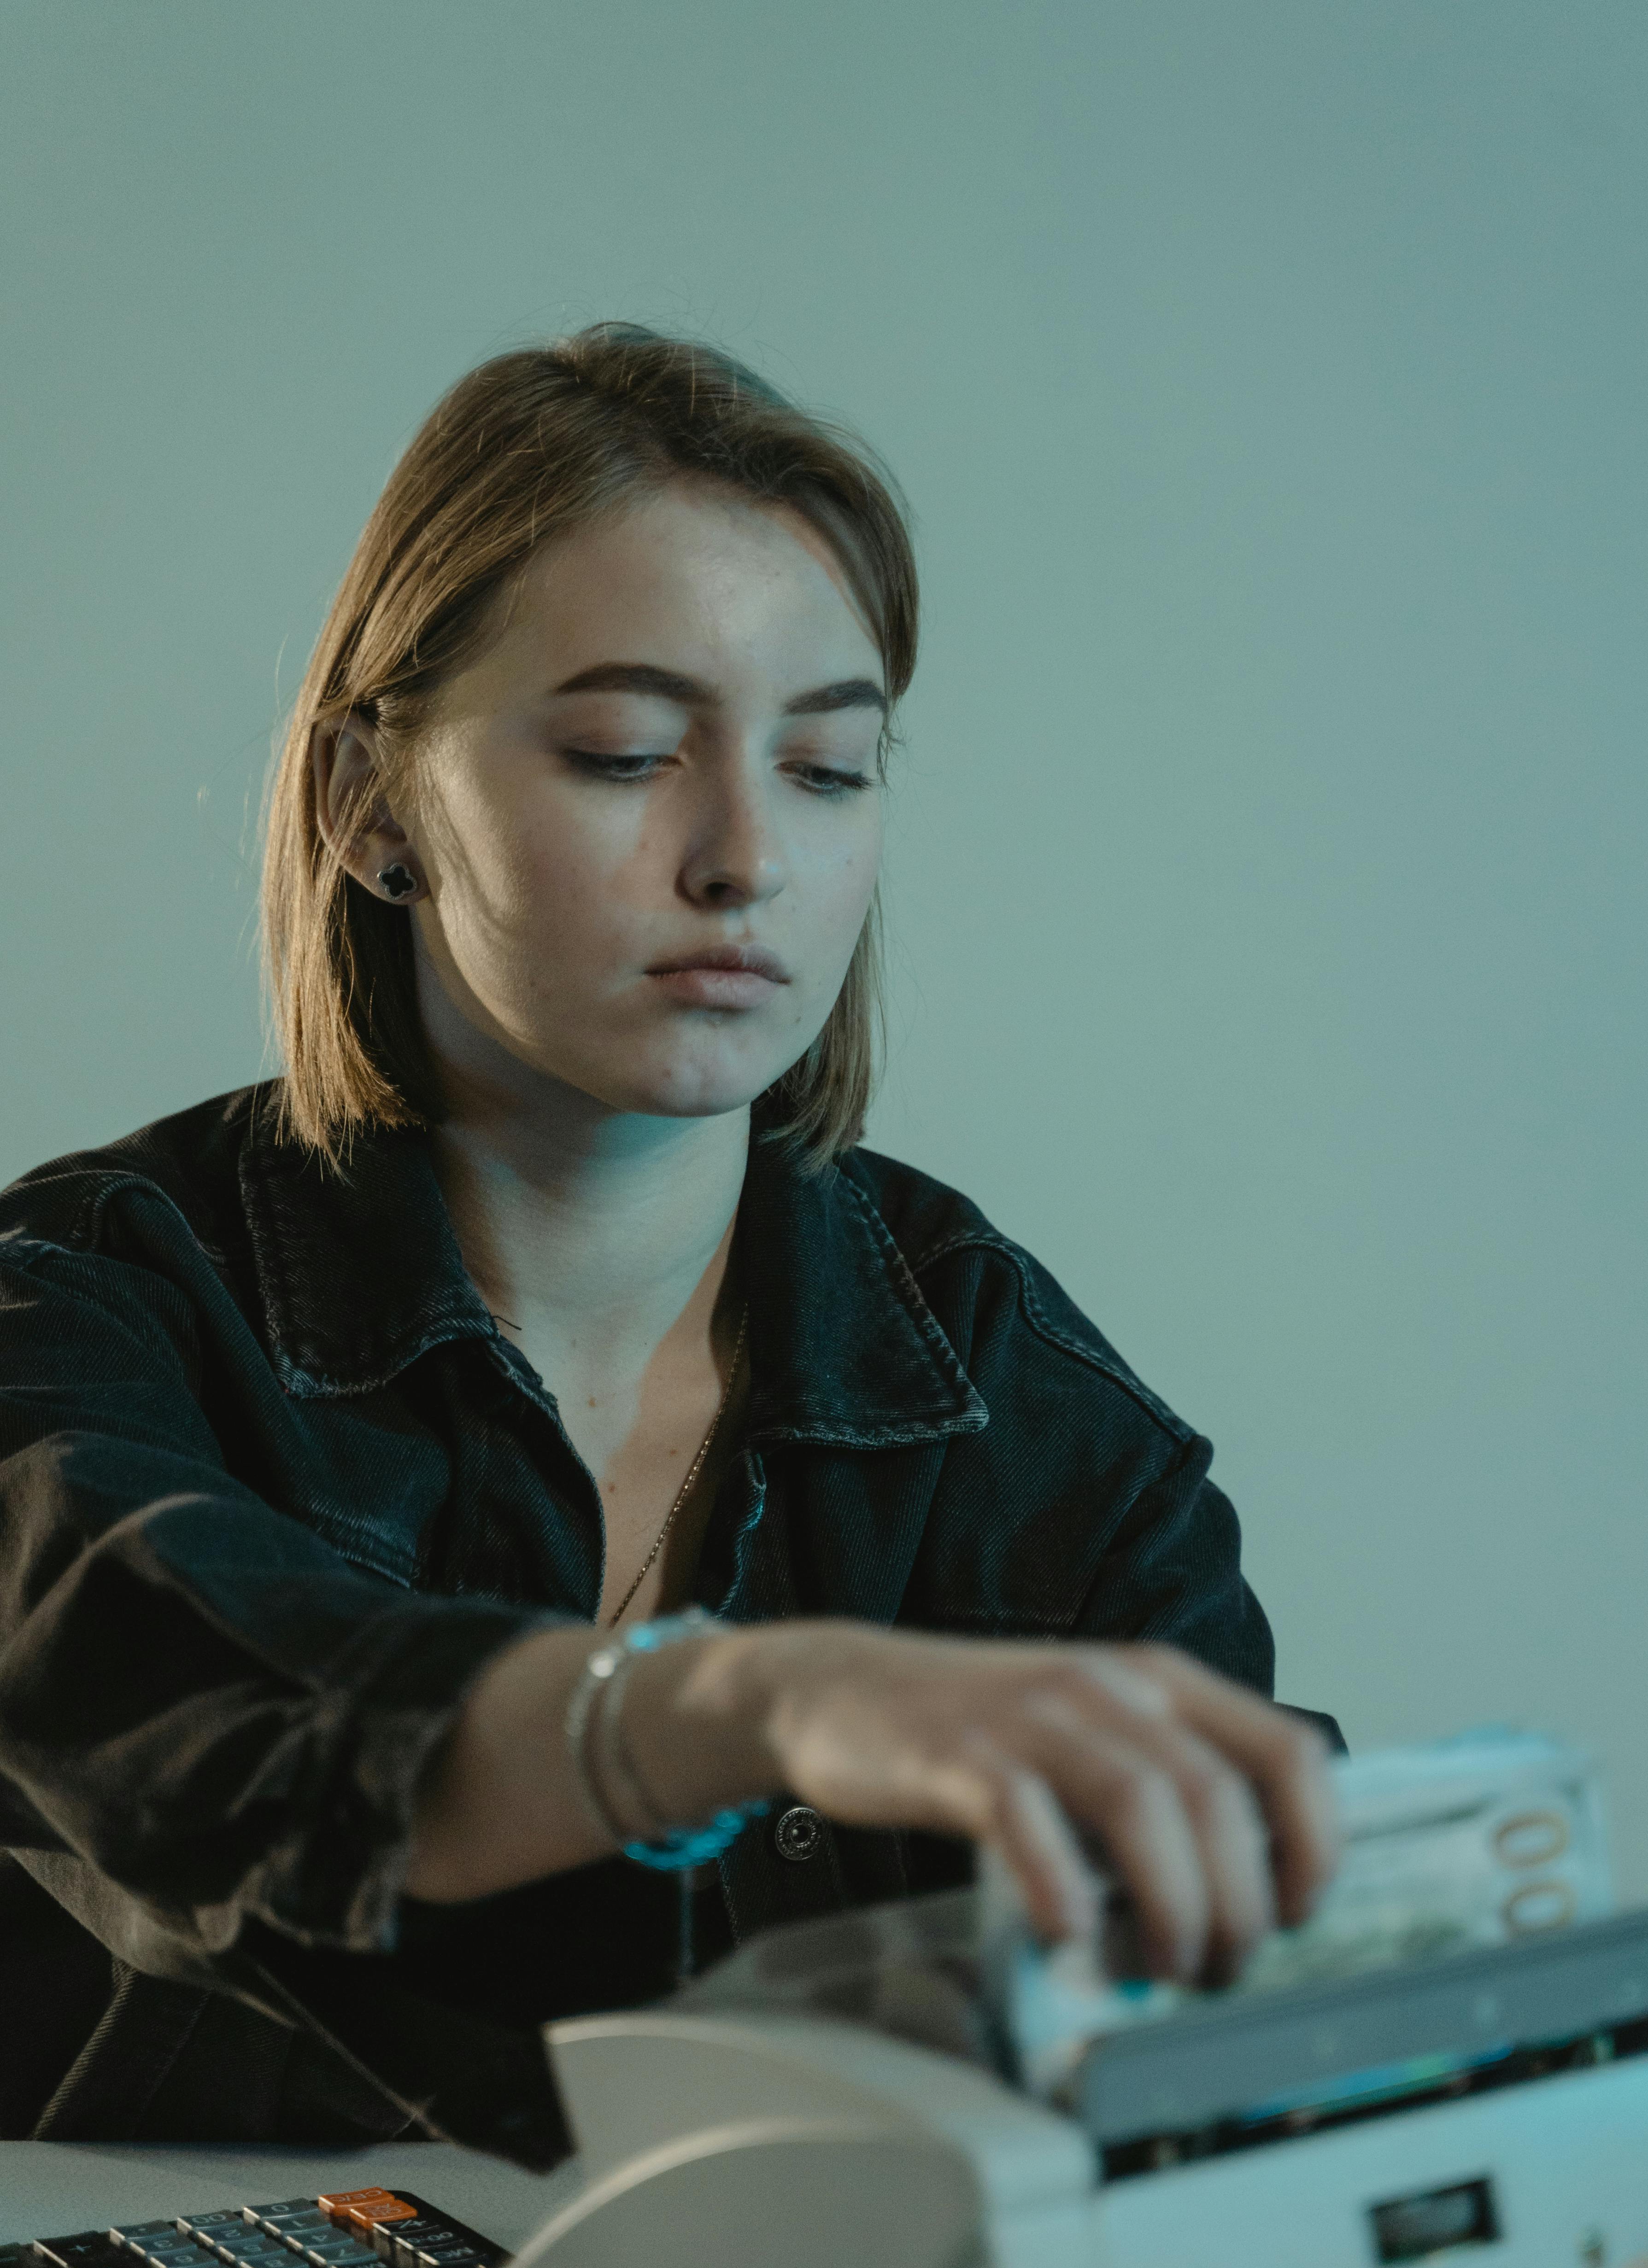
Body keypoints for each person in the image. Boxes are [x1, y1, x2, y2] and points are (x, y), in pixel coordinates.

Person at [0, 326, 1336, 2163]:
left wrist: (1587, 2209)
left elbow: (1246, 2042)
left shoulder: (1018, 1401)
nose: (741, 859)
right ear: (368, 805)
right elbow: (236, 1741)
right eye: (628, 751)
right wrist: (760, 1701)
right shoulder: (81, 1314)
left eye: (828, 768)